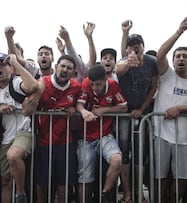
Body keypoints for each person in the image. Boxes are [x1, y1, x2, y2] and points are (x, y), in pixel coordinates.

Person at [154, 16, 187, 203]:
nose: (181, 59)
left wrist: (179, 109)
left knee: (182, 178)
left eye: (185, 56)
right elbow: (160, 54)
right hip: (160, 133)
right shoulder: (166, 74)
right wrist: (178, 32)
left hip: (183, 138)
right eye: (178, 56)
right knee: (159, 176)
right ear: (173, 61)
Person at [115, 28, 158, 202]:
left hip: (143, 113)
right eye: (131, 46)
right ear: (126, 50)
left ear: (143, 46)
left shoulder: (151, 61)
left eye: (137, 45)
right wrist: (128, 62)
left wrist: (141, 108)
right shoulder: (124, 60)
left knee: (141, 153)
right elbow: (118, 70)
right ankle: (127, 193)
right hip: (124, 114)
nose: (134, 49)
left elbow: (154, 87)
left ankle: (139, 190)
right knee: (124, 153)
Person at [0, 53, 38, 203]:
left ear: (10, 69)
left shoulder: (16, 82)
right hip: (6, 137)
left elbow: (33, 86)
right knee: (5, 180)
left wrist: (15, 62)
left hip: (24, 132)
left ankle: (21, 194)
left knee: (13, 155)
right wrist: (0, 106)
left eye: (3, 64)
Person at [76, 64, 127, 202]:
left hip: (105, 135)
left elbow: (124, 107)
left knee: (117, 160)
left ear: (105, 79)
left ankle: (105, 195)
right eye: (92, 84)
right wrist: (83, 111)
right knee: (85, 179)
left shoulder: (113, 85)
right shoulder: (86, 83)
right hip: (85, 137)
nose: (94, 88)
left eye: (98, 84)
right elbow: (79, 104)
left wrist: (105, 110)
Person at [33, 55, 81, 203]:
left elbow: (80, 111)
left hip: (65, 142)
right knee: (42, 181)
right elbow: (28, 108)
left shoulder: (76, 87)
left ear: (73, 72)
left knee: (64, 181)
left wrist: (75, 111)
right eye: (63, 66)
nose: (65, 70)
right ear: (56, 67)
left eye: (69, 68)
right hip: (43, 140)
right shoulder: (42, 83)